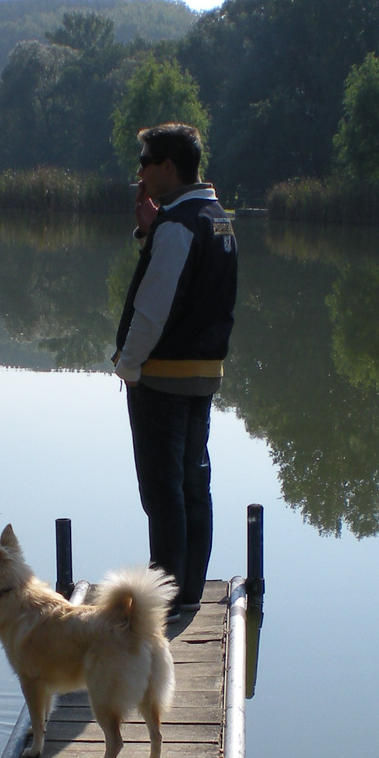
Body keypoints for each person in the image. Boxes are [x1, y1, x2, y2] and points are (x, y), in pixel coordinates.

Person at [113, 122, 237, 614]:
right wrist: (150, 230)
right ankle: (186, 591)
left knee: (163, 490)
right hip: (202, 376)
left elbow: (154, 307)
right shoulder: (216, 218)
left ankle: (160, 601)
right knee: (192, 483)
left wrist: (127, 365)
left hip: (162, 377)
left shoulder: (179, 225)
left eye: (145, 162)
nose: (139, 171)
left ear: (167, 167)